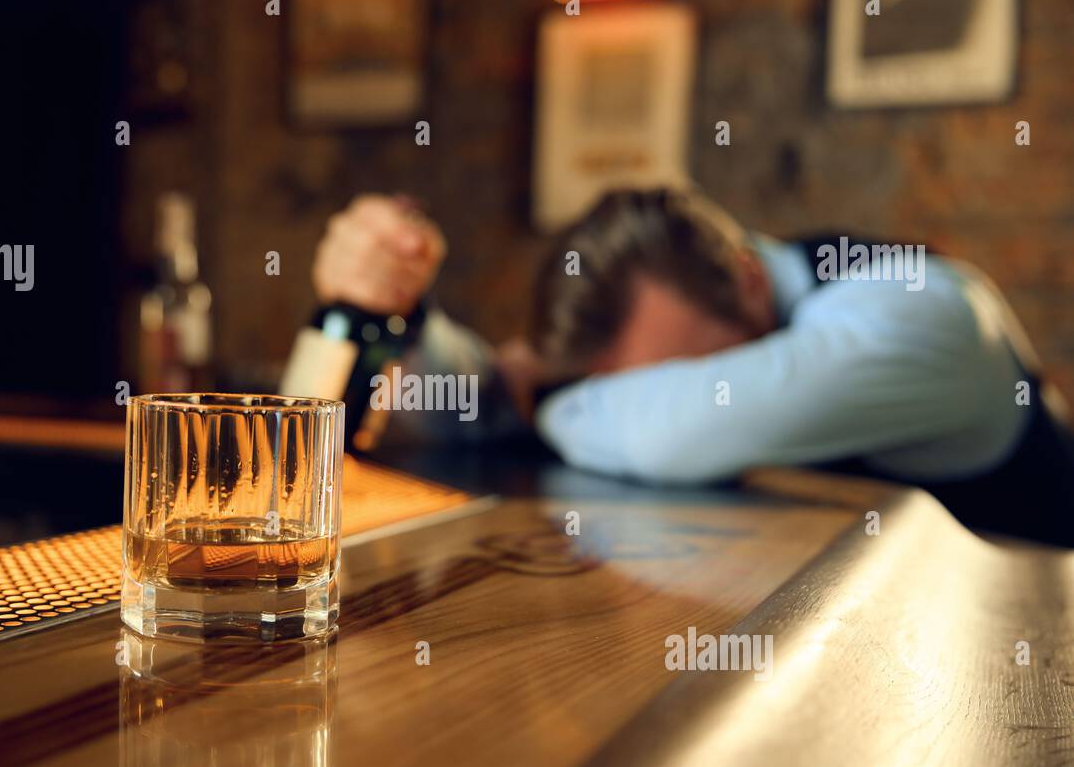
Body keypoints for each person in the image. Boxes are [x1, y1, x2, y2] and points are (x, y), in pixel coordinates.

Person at [311, 187, 1074, 547]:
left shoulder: (927, 315)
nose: (643, 395)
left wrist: (537, 394)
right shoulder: (729, 308)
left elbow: (668, 433)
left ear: (747, 277)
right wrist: (398, 312)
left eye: (664, 378)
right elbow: (485, 399)